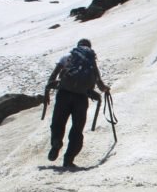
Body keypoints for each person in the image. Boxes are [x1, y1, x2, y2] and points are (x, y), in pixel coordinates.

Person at [44, 38, 110, 168]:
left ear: (78, 47)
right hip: (81, 98)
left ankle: (56, 142)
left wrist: (53, 87)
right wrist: (106, 90)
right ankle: (69, 159)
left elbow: (52, 78)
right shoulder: (91, 62)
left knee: (58, 123)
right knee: (77, 129)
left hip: (63, 95)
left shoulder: (67, 58)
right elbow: (100, 85)